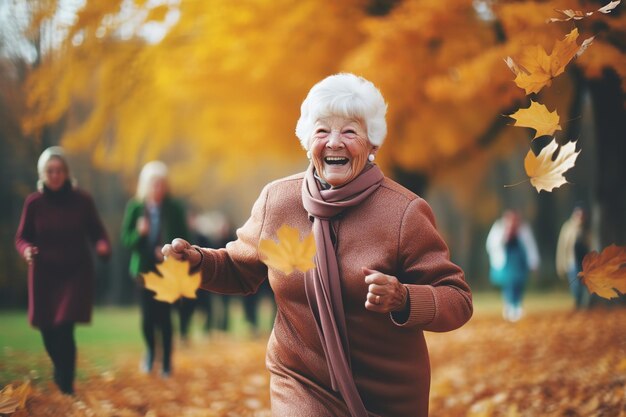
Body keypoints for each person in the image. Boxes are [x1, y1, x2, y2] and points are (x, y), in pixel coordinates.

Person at [163, 73, 473, 417]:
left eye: (350, 131)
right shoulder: (278, 202)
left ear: (373, 144)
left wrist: (404, 298)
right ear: (307, 139)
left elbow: (457, 299)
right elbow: (239, 270)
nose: (335, 142)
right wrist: (195, 262)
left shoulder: (404, 212)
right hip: (301, 382)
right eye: (323, 130)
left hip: (386, 393)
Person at [15, 146, 111, 395]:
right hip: (44, 274)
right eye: (50, 171)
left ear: (67, 173)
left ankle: (66, 386)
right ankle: (61, 373)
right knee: (48, 330)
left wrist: (102, 246)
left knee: (64, 326)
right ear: (43, 174)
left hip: (75, 273)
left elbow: (97, 232)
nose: (55, 175)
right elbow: (22, 237)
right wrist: (26, 250)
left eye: (59, 170)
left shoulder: (82, 200)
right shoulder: (34, 203)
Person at [121, 161, 188, 377]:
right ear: (145, 186)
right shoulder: (135, 207)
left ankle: (167, 362)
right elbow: (126, 240)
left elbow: (186, 238)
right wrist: (139, 234)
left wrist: (170, 250)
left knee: (165, 318)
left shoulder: (175, 208)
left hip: (168, 271)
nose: (158, 189)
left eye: (161, 184)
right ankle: (151, 352)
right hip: (144, 270)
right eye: (153, 185)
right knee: (148, 318)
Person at [486, 209, 539, 322]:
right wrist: (505, 236)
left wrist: (533, 262)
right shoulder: (499, 228)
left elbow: (530, 246)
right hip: (505, 263)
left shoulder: (523, 229)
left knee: (519, 283)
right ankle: (509, 306)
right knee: (508, 284)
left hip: (519, 263)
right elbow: (491, 244)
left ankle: (518, 306)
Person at [556, 205, 591, 309]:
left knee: (585, 285)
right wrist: (560, 265)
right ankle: (578, 303)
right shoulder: (568, 228)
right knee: (575, 286)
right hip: (572, 262)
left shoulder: (587, 229)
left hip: (585, 262)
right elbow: (562, 247)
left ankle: (583, 305)